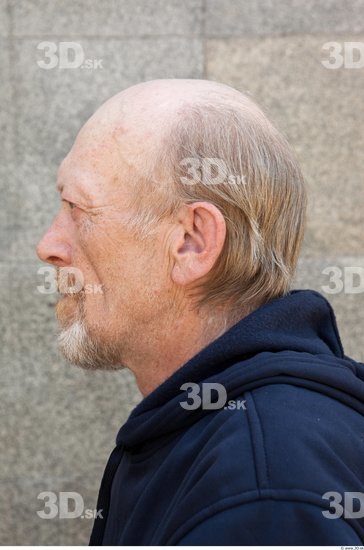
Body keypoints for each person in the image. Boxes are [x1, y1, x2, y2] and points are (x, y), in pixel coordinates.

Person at [36, 79, 364, 545]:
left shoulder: (261, 487)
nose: (48, 245)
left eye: (78, 208)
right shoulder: (224, 436)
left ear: (192, 242)